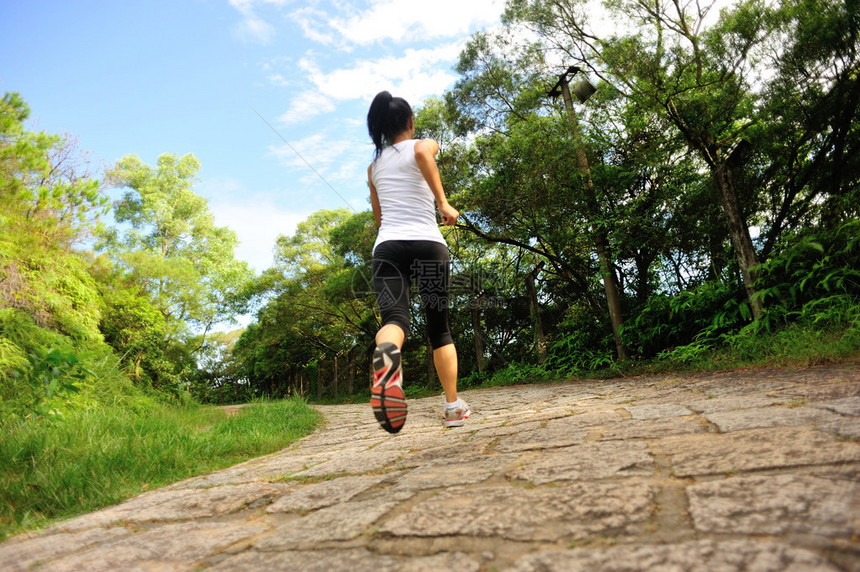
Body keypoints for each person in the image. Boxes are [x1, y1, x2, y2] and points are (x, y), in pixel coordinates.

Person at [366, 90, 471, 434]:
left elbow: (379, 217)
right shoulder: (420, 144)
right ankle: (453, 407)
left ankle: (385, 358)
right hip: (428, 243)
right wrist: (443, 203)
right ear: (410, 122)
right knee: (439, 329)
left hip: (388, 247)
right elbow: (426, 150)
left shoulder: (374, 166)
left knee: (394, 318)